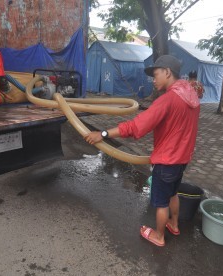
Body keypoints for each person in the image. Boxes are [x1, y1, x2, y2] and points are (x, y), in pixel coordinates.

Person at [84, 55, 201, 247]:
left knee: (161, 202)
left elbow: (136, 127)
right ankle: (174, 224)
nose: (153, 80)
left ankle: (159, 236)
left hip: (166, 161)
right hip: (182, 159)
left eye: (155, 75)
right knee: (173, 194)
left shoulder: (168, 100)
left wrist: (103, 133)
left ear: (167, 72)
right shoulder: (191, 96)